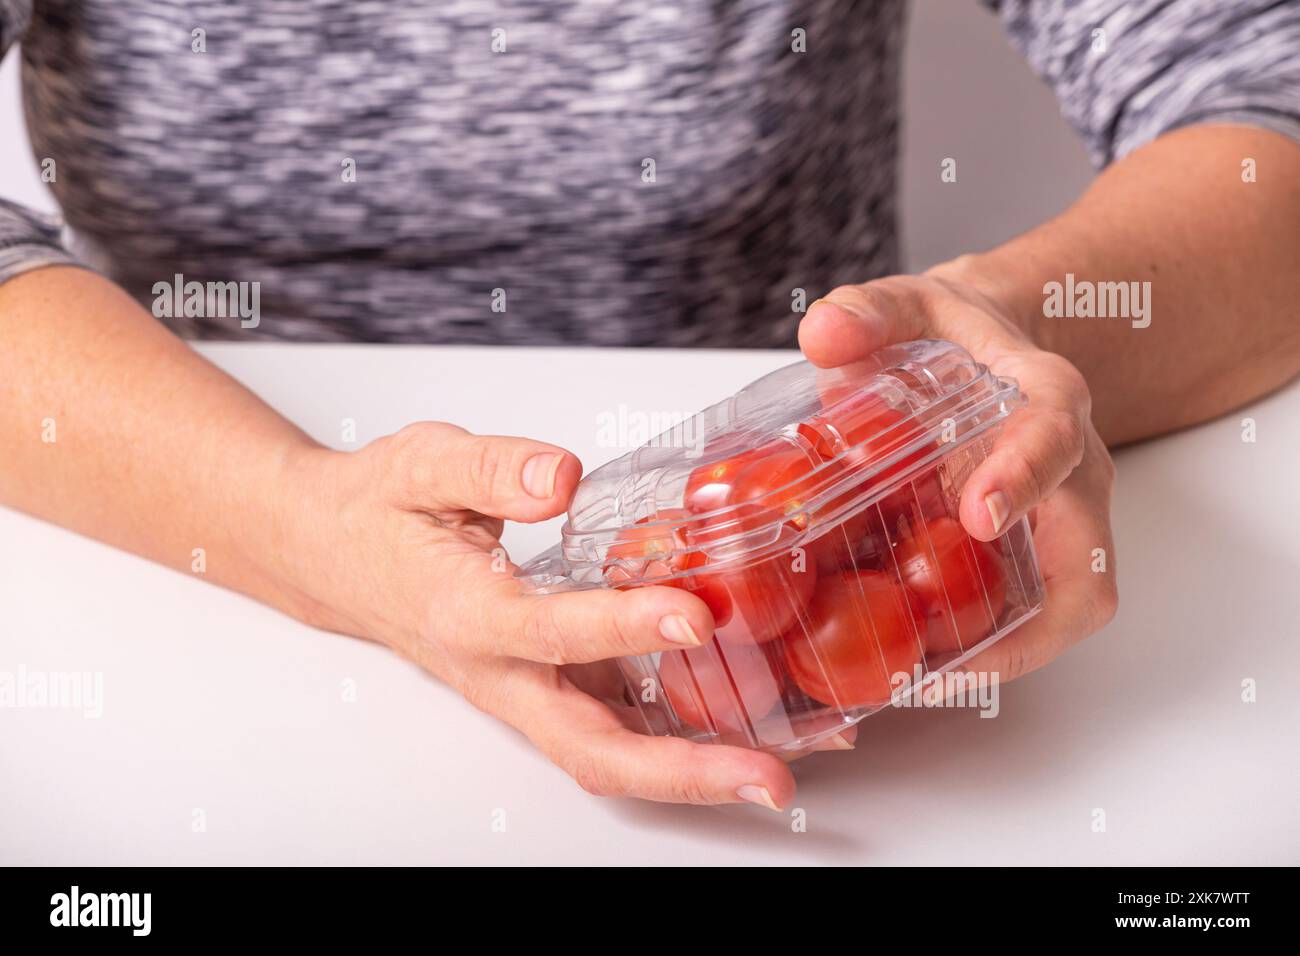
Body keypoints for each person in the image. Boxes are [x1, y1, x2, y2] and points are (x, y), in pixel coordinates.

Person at [1, 1, 1298, 810]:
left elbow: (1264, 87)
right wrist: (296, 521)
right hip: (186, 586)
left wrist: (1005, 328)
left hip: (813, 526)